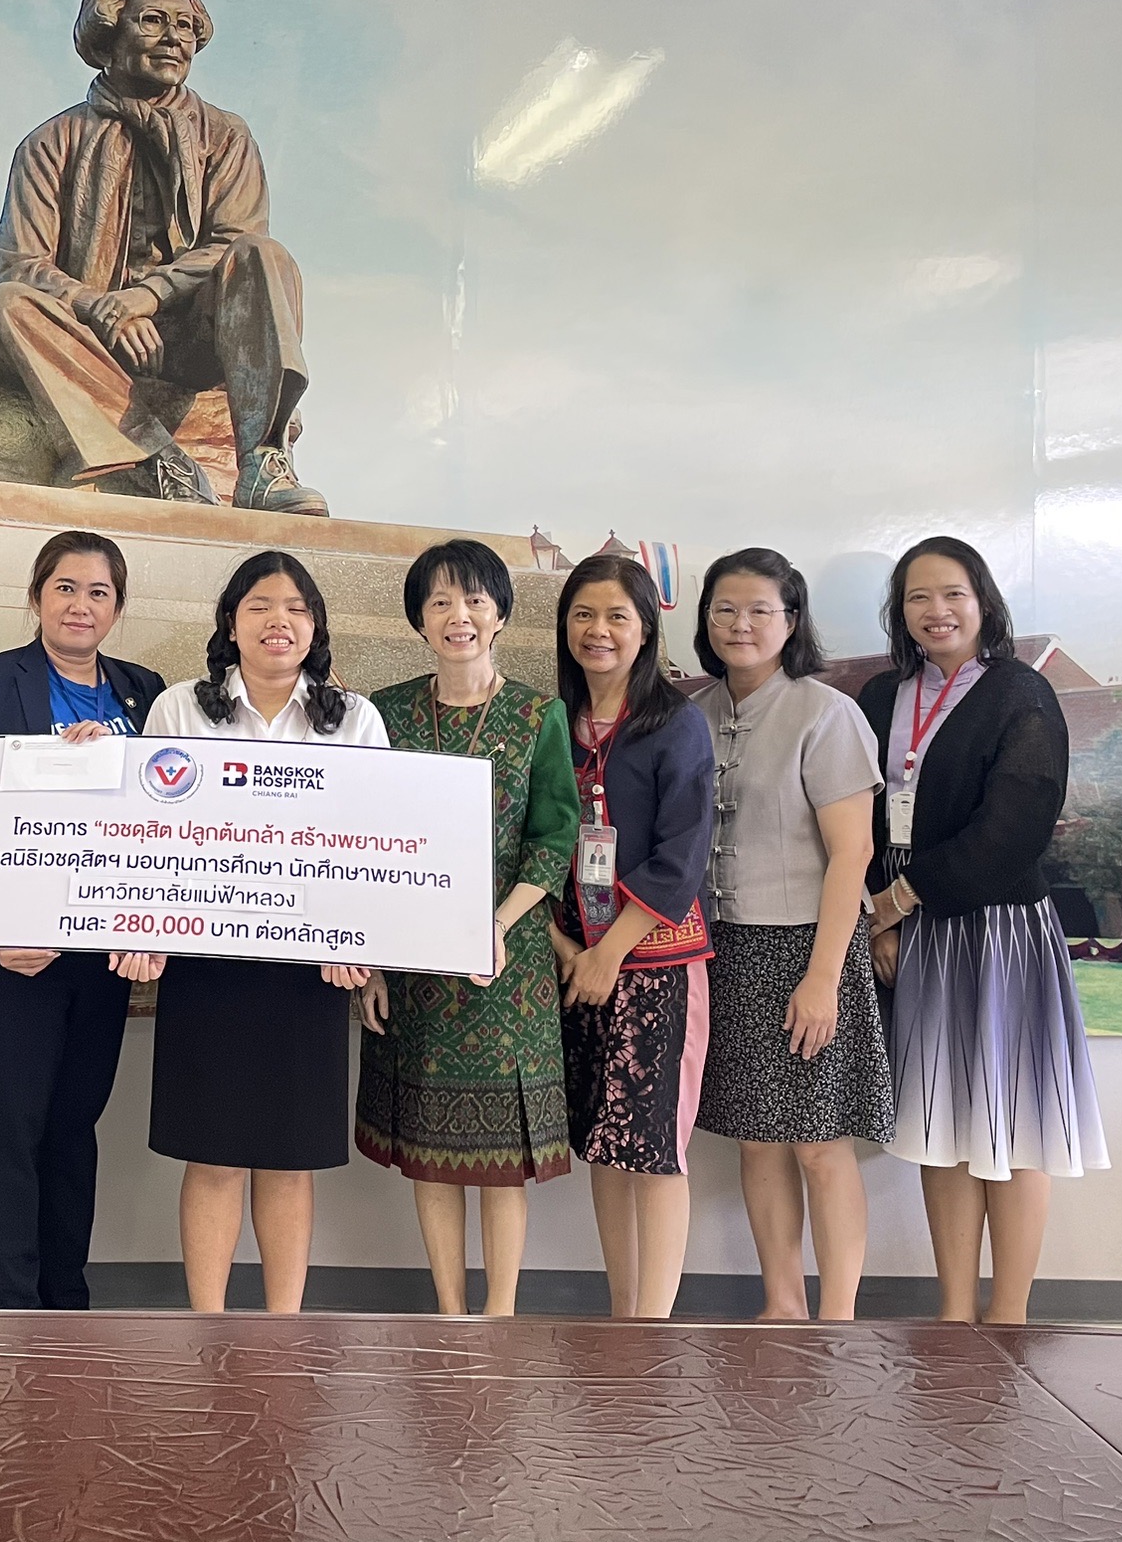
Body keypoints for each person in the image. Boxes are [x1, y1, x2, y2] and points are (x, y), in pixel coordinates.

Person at [0, 0, 325, 514]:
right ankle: (153, 461)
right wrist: (102, 307)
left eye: (184, 26)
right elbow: (18, 262)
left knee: (262, 254)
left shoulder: (226, 136)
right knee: (1, 305)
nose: (174, 39)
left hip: (199, 335)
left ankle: (262, 462)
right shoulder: (49, 144)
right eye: (153, 22)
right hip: (94, 340)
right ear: (110, 30)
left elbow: (231, 242)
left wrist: (147, 295)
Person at [859, 536, 1108, 1325]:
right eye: (918, 598)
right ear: (900, 613)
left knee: (1012, 1124)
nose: (937, 611)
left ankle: (1010, 1316)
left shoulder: (1020, 694)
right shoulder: (876, 698)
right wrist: (880, 916)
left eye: (953, 593)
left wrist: (902, 898)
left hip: (998, 934)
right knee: (939, 1124)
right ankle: (955, 1314)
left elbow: (1016, 827)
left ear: (984, 602)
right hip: (910, 932)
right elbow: (854, 816)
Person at [140, 550, 388, 1311]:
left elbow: (378, 840)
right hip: (206, 963)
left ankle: (284, 1327)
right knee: (212, 1157)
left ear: (315, 627)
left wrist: (359, 947)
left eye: (297, 608)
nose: (279, 621)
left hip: (309, 971)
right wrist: (143, 925)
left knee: (288, 1158)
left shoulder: (355, 718)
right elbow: (145, 831)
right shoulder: (180, 709)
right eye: (260, 605)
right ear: (231, 622)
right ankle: (206, 1323)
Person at [0, 530, 165, 1309]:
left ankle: (67, 1300)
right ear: (36, 597)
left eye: (99, 592)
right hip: (13, 956)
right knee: (9, 1131)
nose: (80, 605)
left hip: (101, 958)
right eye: (66, 588)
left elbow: (166, 820)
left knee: (74, 1128)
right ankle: (11, 1304)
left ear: (118, 609)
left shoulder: (144, 690)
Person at [356, 541, 578, 1316]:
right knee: (433, 1155)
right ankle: (450, 1311)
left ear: (501, 615)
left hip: (506, 967)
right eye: (442, 602)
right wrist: (372, 962)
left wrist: (497, 923)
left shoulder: (536, 713)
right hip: (415, 969)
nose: (460, 617)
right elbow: (361, 841)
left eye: (476, 600)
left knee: (500, 1160)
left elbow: (555, 839)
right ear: (420, 619)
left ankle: (502, 1313)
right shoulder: (384, 714)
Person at [689, 548, 892, 1322]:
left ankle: (836, 1314)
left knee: (819, 1140)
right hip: (727, 950)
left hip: (810, 948)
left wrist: (821, 977)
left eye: (759, 611)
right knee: (756, 1138)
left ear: (792, 621)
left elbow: (854, 854)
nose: (740, 625)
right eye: (724, 610)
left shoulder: (824, 712)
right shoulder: (696, 714)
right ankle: (781, 1304)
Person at [549, 552, 715, 1321]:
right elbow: (541, 841)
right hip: (576, 962)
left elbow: (683, 853)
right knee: (605, 1146)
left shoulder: (675, 722)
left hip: (655, 962)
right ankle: (622, 1314)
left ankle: (653, 1327)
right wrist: (575, 955)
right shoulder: (555, 721)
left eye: (617, 615)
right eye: (584, 614)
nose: (599, 630)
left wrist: (610, 953)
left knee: (653, 1149)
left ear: (647, 629)